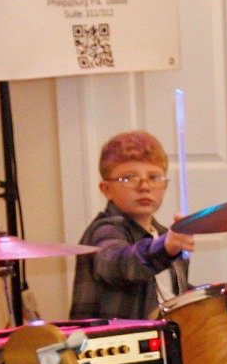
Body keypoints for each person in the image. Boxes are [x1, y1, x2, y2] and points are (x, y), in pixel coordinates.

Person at [71, 130, 195, 321]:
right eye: (128, 178)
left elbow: (167, 292)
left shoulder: (163, 234)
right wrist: (166, 248)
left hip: (165, 339)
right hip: (116, 345)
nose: (144, 186)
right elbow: (119, 264)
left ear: (165, 185)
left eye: (154, 177)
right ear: (106, 189)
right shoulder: (104, 230)